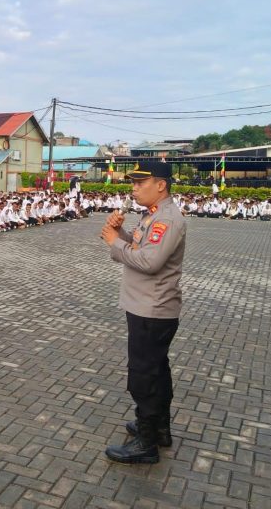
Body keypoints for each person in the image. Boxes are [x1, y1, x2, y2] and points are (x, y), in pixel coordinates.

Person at [100, 161, 187, 464]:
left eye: (140, 183)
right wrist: (119, 234)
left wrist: (114, 244)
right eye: (133, 183)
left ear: (160, 185)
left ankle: (146, 443)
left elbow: (149, 263)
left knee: (143, 376)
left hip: (152, 308)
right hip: (147, 305)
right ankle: (158, 428)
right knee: (156, 371)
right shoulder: (152, 216)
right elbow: (139, 251)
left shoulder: (167, 219)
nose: (134, 188)